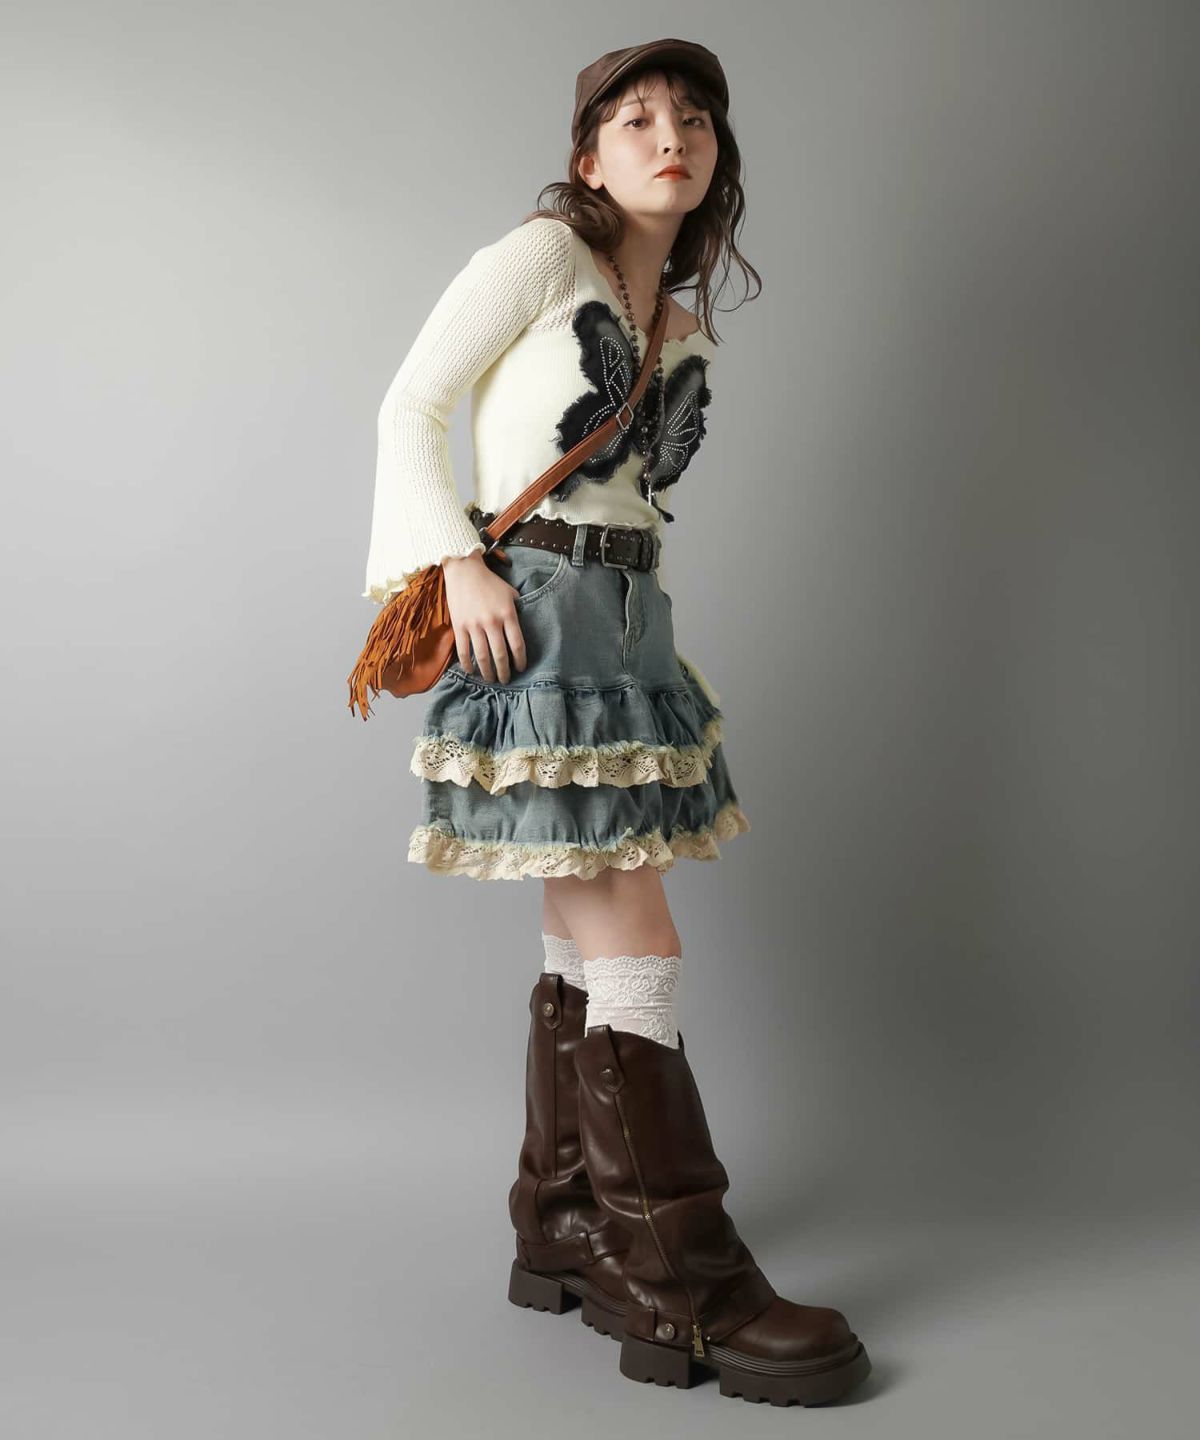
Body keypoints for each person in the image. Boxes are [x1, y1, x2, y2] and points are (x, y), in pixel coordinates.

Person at [360, 39, 871, 1406]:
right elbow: (410, 406)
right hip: (534, 610)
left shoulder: (678, 318)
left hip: (632, 620)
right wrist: (456, 563)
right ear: (589, 158)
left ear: (716, 160)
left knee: (583, 921)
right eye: (636, 118)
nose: (670, 136)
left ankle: (567, 1221)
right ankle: (684, 1281)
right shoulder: (542, 258)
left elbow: (634, 492)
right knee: (634, 926)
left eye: (692, 118)